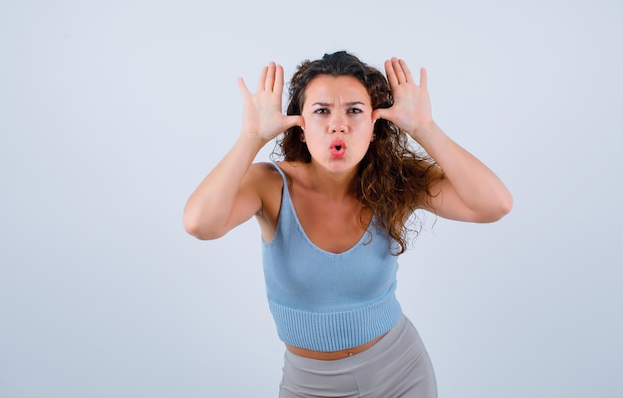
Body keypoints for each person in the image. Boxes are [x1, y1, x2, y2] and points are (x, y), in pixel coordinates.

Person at [183, 51, 512, 398]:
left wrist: (425, 129)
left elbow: (494, 204)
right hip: (308, 385)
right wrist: (250, 137)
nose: (338, 124)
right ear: (301, 127)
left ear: (373, 126)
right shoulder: (270, 185)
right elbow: (200, 223)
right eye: (322, 111)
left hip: (400, 374)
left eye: (354, 111)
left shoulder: (394, 181)